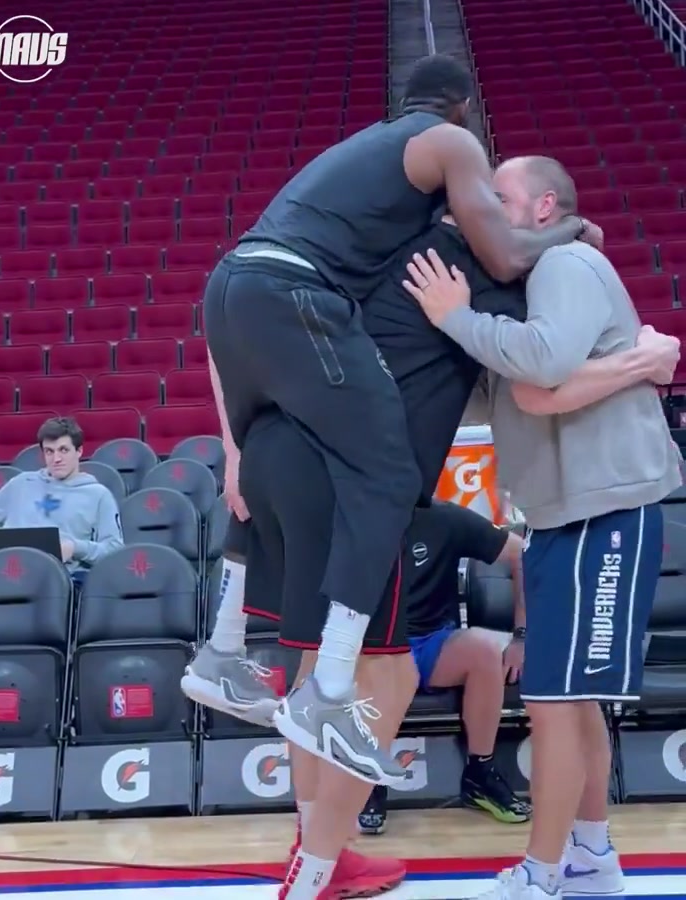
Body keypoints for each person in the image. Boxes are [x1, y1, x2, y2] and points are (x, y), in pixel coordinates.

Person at [198, 212, 678, 900]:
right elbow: (536, 380)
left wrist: (236, 448)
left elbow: (227, 324)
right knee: (386, 676)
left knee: (319, 676)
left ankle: (324, 852)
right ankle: (320, 866)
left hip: (290, 468)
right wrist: (642, 355)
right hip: (360, 489)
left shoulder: (329, 273)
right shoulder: (451, 270)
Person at [182, 51, 603, 788]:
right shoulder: (448, 144)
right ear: (462, 110)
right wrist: (574, 231)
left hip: (231, 294)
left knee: (271, 449)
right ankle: (327, 697)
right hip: (291, 299)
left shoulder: (369, 177)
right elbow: (509, 265)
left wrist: (232, 448)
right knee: (388, 476)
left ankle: (221, 652)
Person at [403, 154, 683, 900]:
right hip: (565, 516)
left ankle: (542, 872)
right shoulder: (530, 286)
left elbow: (544, 364)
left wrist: (455, 317)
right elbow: (522, 393)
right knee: (570, 698)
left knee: (555, 702)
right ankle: (591, 855)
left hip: (604, 512)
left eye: (499, 197)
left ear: (544, 207)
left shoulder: (564, 263)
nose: (484, 209)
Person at [359, 500, 530, 836]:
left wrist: (522, 635)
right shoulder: (355, 516)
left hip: (434, 642)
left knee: (484, 652)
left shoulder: (446, 518)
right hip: (379, 646)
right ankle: (367, 778)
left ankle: (480, 774)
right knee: (360, 663)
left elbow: (523, 554)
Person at [0, 416, 123, 585]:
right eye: (49, 451)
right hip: (4, 573)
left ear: (79, 451)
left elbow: (114, 550)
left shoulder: (98, 495)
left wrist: (75, 547)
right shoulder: (21, 483)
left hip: (57, 581)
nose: (56, 459)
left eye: (63, 450)